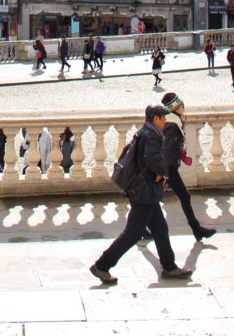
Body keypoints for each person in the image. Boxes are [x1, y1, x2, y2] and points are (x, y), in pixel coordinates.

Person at [90, 104, 192, 284]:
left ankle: (169, 266)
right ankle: (102, 265)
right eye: (162, 117)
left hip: (145, 190)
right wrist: (164, 173)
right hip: (144, 192)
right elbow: (152, 159)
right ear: (155, 118)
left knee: (160, 228)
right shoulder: (152, 136)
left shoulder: (145, 131)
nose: (165, 121)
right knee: (133, 233)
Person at [160, 93, 216, 241]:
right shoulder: (172, 125)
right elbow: (165, 150)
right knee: (184, 196)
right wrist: (165, 173)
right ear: (175, 109)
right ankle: (196, 229)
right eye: (181, 106)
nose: (184, 108)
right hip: (167, 168)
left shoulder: (170, 122)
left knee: (151, 200)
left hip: (166, 167)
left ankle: (140, 229)